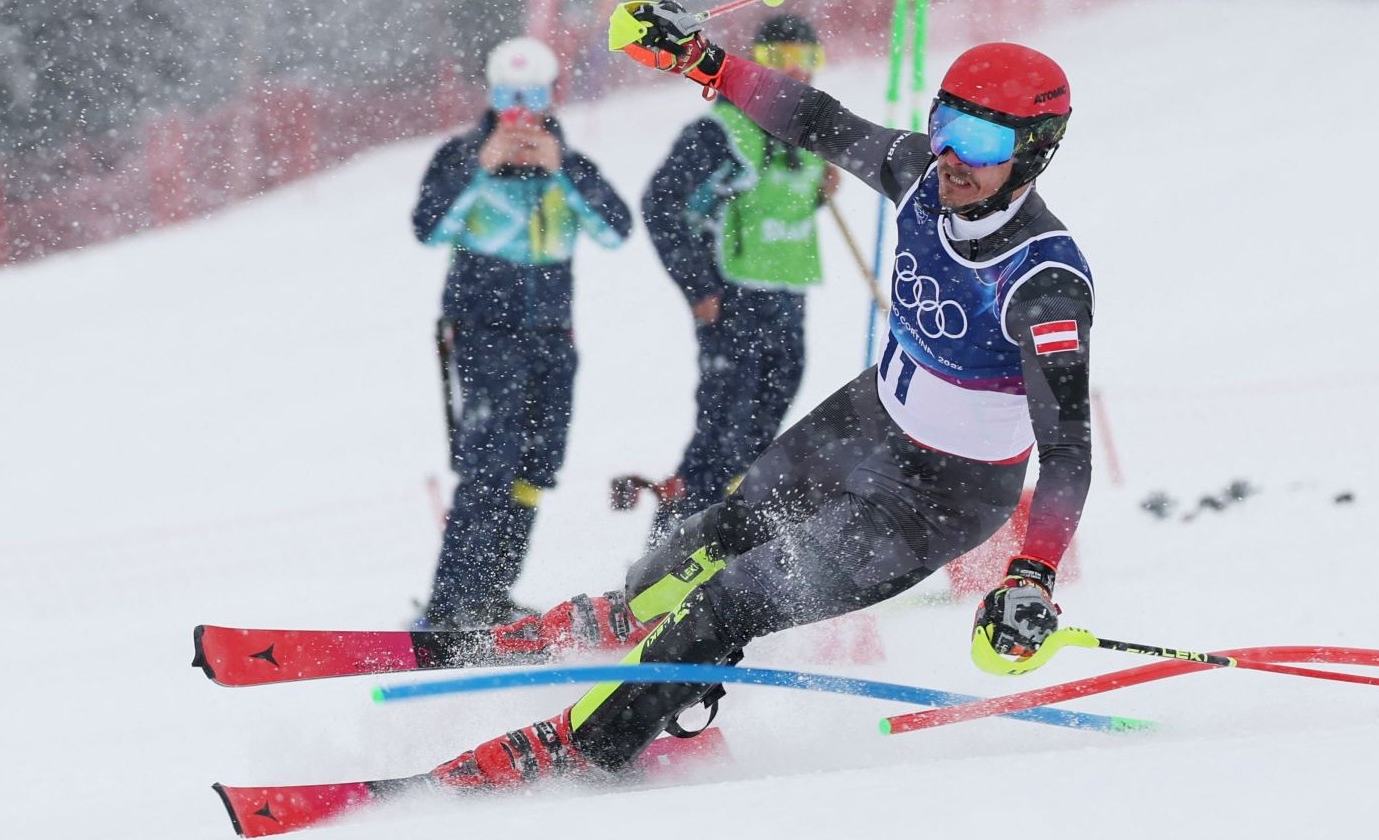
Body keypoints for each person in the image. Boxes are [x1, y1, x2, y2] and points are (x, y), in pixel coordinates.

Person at [425, 6, 1093, 788]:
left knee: (727, 602)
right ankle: (634, 619)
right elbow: (815, 118)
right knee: (722, 527)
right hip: (872, 418)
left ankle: (592, 746)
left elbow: (1069, 448)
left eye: (981, 143)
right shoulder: (919, 173)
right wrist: (702, 62)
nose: (951, 154)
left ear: (1035, 153)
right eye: (945, 123)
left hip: (939, 497)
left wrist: (1031, 575)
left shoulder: (1045, 282)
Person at [410, 36, 632, 630]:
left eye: (531, 96)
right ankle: (451, 607)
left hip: (552, 336)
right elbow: (427, 226)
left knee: (536, 468)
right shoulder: (463, 156)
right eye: (509, 97)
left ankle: (493, 593)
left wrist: (562, 173)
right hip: (485, 333)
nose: (520, 111)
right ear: (491, 94)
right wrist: (479, 169)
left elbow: (617, 228)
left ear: (551, 94)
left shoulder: (568, 163)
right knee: (488, 466)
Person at [639, 13, 842, 544]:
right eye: (780, 59)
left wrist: (818, 196)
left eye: (807, 58)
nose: (796, 70)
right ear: (756, 61)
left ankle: (727, 544)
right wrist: (697, 286)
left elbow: (770, 205)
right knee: (722, 433)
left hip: (788, 293)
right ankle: (670, 549)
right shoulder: (722, 129)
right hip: (732, 298)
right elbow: (661, 204)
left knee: (763, 435)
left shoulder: (807, 131)